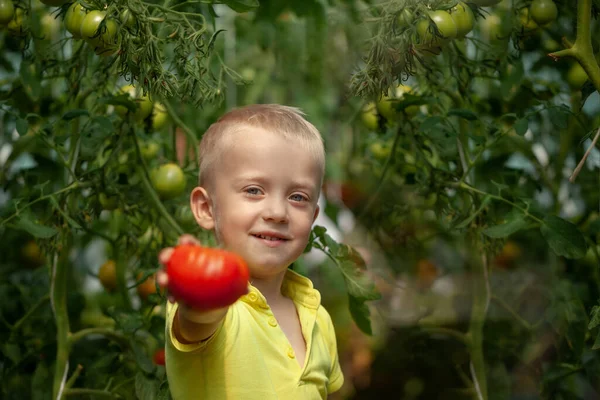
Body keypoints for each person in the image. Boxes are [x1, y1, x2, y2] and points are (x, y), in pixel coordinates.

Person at [156, 104, 344, 399]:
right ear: (207, 208)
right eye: (254, 190)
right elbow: (198, 320)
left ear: (314, 215)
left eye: (298, 196)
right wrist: (196, 288)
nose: (278, 212)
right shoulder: (219, 308)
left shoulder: (317, 316)